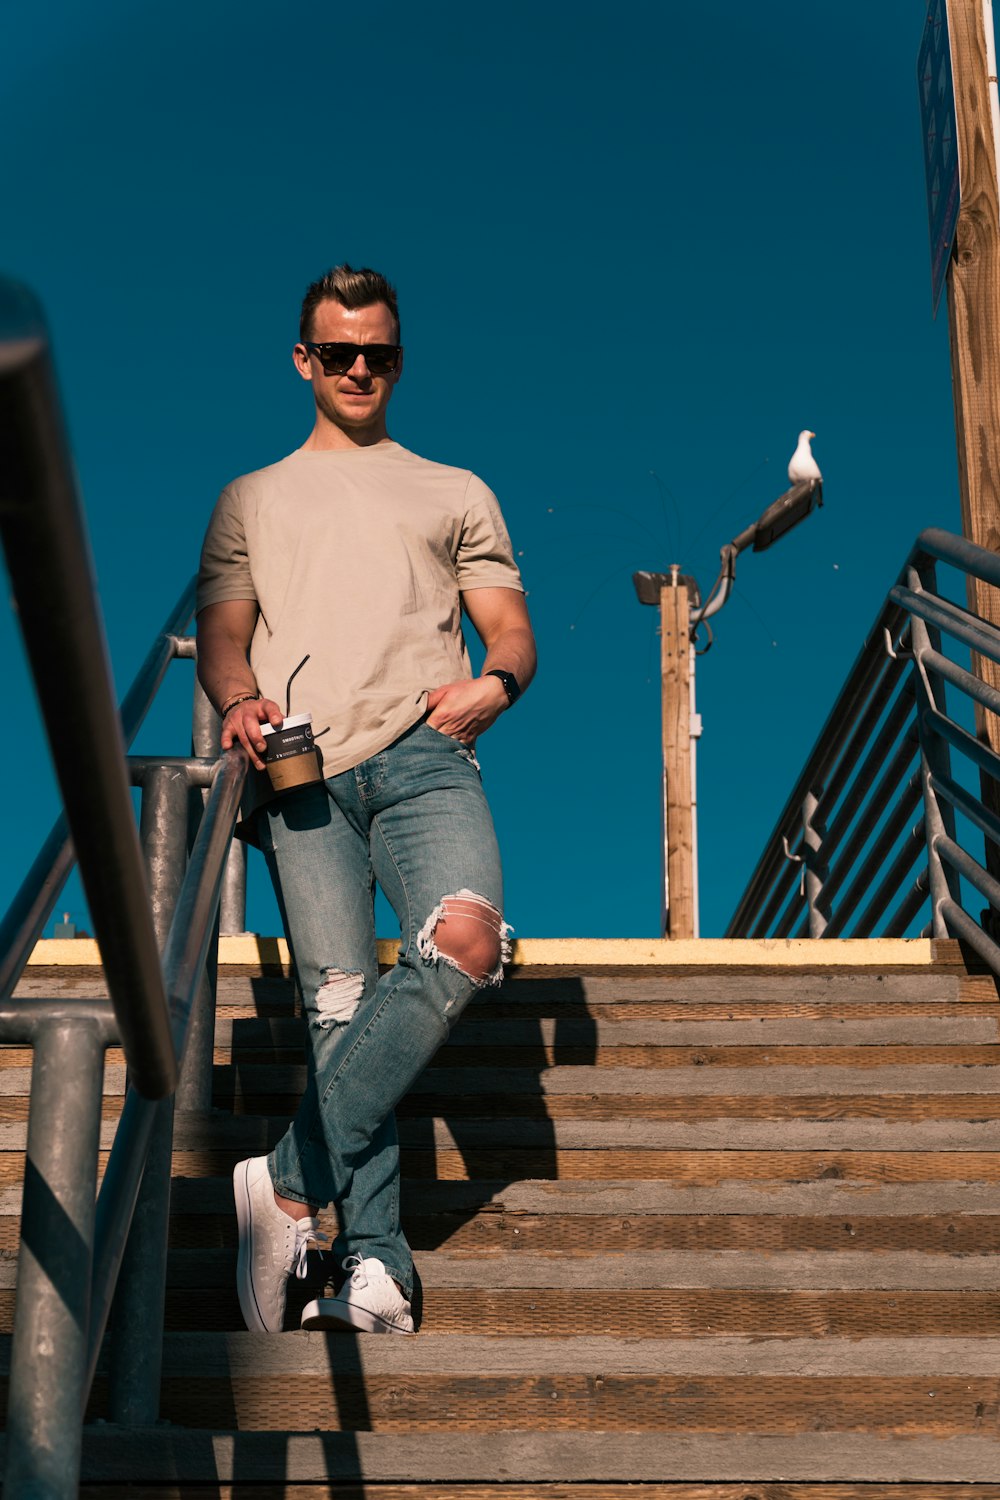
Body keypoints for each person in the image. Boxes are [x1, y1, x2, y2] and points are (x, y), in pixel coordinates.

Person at [196, 264, 535, 1335]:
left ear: (397, 360)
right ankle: (374, 1265)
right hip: (299, 774)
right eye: (335, 353)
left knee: (468, 941)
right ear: (304, 359)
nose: (356, 369)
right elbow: (221, 635)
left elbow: (510, 631)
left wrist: (495, 682)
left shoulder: (455, 490)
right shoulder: (249, 497)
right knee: (338, 1010)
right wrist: (239, 698)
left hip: (427, 755)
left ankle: (287, 1185)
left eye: (375, 354)